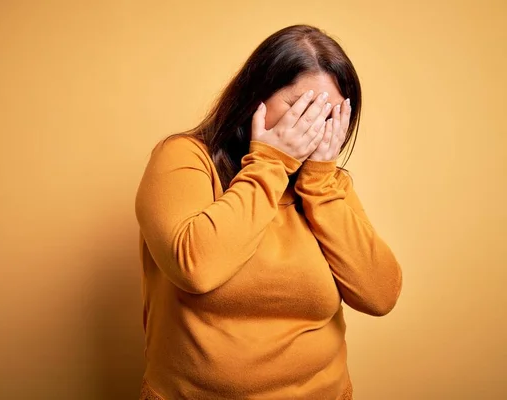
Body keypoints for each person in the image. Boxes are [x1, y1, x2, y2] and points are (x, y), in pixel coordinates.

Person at [134, 24, 402, 400]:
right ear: (254, 99)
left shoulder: (328, 185)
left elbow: (380, 295)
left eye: (329, 115)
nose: (313, 125)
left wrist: (320, 185)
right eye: (299, 107)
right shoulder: (184, 157)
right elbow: (195, 265)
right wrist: (270, 163)